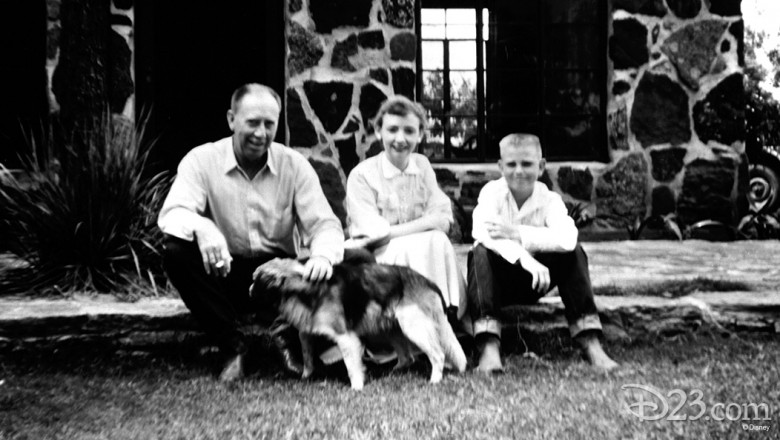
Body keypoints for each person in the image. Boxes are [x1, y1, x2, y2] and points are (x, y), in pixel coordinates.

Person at [158, 83, 344, 381]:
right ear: (232, 119)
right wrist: (203, 226)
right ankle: (235, 346)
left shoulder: (294, 165)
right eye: (252, 123)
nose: (261, 133)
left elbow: (325, 225)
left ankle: (295, 343)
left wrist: (322, 255)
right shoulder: (201, 160)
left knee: (333, 263)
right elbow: (172, 214)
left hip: (275, 275)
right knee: (175, 252)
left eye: (269, 124)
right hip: (223, 270)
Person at [468, 133, 618, 373]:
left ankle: (590, 342)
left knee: (575, 253)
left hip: (538, 281)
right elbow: (482, 232)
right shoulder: (491, 194)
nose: (519, 171)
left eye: (527, 164)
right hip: (499, 283)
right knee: (480, 253)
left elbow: (568, 239)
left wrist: (517, 233)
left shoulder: (550, 200)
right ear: (500, 167)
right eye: (511, 164)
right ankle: (488, 349)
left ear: (541, 167)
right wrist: (525, 258)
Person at [345, 95, 466, 326]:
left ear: (420, 134)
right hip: (378, 260)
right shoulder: (362, 175)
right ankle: (407, 325)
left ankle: (443, 317)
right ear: (379, 132)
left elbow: (443, 219)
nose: (400, 139)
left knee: (437, 240)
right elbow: (372, 235)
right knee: (429, 240)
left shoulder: (421, 165)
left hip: (418, 250)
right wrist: (425, 224)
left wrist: (426, 224)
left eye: (409, 131)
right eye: (392, 130)